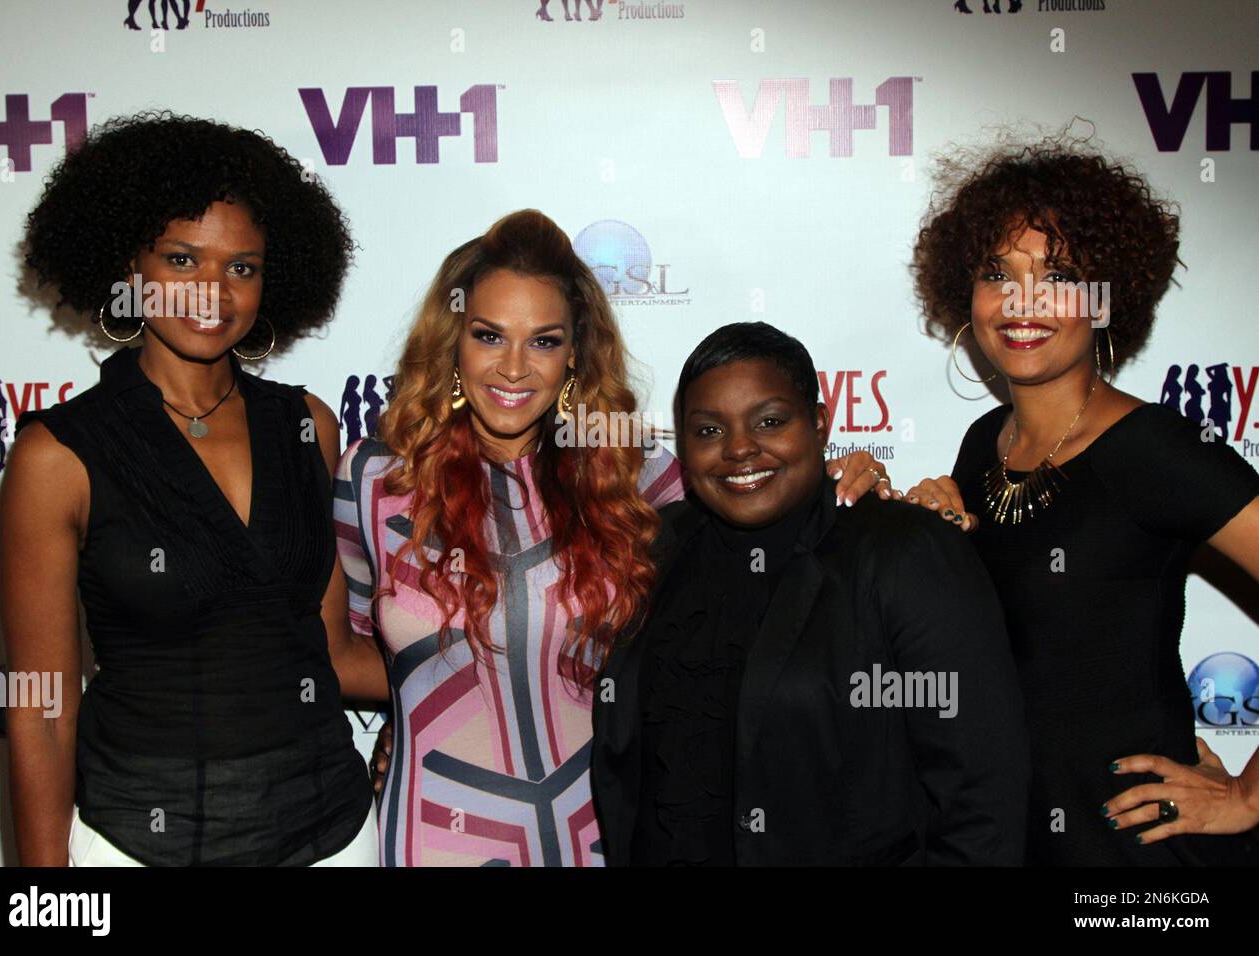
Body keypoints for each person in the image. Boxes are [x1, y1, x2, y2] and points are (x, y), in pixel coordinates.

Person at [352, 212, 897, 865]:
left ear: (576, 354)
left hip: (601, 832)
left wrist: (863, 482)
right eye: (489, 335)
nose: (515, 367)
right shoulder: (373, 478)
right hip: (434, 830)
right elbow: (348, 650)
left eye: (545, 341)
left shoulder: (635, 475)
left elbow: (766, 513)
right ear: (453, 341)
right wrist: (411, 716)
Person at [2, 111, 385, 866]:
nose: (212, 292)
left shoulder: (308, 426)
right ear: (128, 268)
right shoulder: (60, 456)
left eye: (241, 267)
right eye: (182, 260)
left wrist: (487, 661)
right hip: (138, 844)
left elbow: (333, 649)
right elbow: (42, 712)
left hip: (333, 837)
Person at [904, 136, 1259, 864]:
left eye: (1058, 274)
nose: (1021, 301)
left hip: (1134, 855)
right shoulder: (981, 447)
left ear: (1108, 297)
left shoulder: (1151, 448)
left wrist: (1249, 795)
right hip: (1010, 836)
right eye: (998, 273)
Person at [591, 322, 1030, 865]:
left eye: (770, 422)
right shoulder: (653, 551)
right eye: (708, 431)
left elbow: (983, 803)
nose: (740, 449)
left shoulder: (903, 552)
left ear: (819, 424)